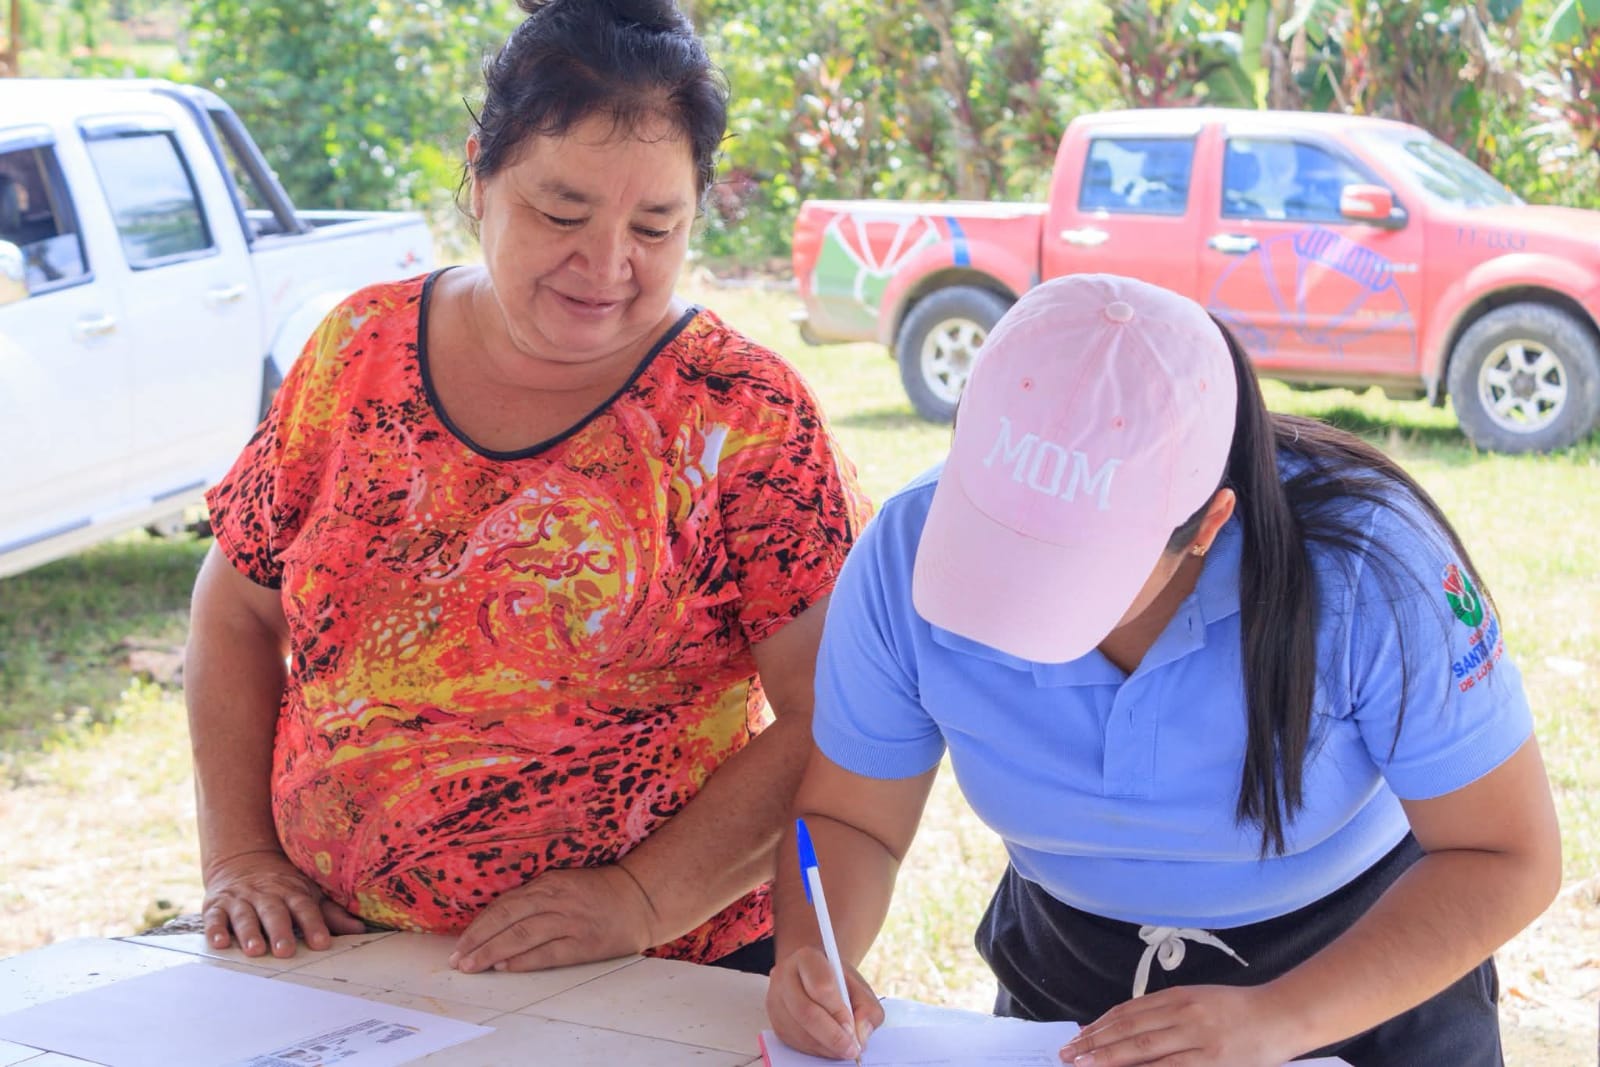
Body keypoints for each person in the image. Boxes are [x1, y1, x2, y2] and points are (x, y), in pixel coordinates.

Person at [185, 0, 867, 978]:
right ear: (480, 174)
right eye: (562, 213)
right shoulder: (357, 351)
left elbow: (838, 709)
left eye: (656, 225)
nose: (607, 264)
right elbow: (236, 608)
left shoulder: (742, 412)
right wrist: (240, 855)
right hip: (344, 961)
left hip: (653, 974)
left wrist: (641, 898)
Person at [766, 274, 1560, 1066]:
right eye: (994, 532)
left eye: (1074, 568)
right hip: (1068, 981)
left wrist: (1281, 1019)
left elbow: (1506, 854)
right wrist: (813, 953)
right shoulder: (903, 551)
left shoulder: (1375, 567)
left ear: (1209, 523)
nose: (1017, 596)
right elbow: (852, 819)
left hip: (1361, 975)